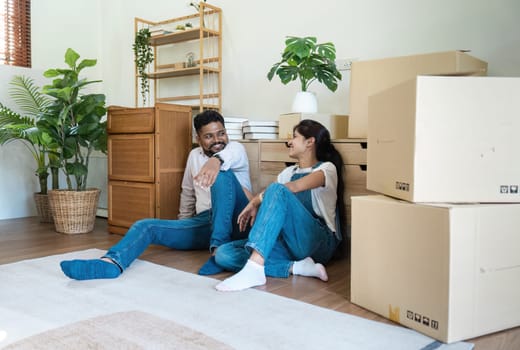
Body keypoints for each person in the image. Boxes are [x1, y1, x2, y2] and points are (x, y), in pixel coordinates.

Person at [60, 110, 252, 280]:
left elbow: (230, 156)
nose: (218, 140)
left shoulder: (236, 150)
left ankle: (217, 249)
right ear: (198, 138)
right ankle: (111, 264)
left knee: (223, 174)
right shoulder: (194, 156)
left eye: (221, 133)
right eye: (209, 136)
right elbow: (187, 192)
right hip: (205, 221)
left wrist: (215, 161)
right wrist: (183, 223)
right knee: (145, 226)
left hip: (238, 220)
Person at [214, 119, 347, 292]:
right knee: (224, 254)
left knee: (277, 189)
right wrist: (257, 201)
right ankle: (297, 267)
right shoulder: (288, 173)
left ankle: (254, 268)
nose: (289, 142)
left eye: (294, 137)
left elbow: (294, 187)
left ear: (310, 142)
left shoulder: (326, 169)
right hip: (290, 244)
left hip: (318, 242)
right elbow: (273, 195)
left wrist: (255, 201)